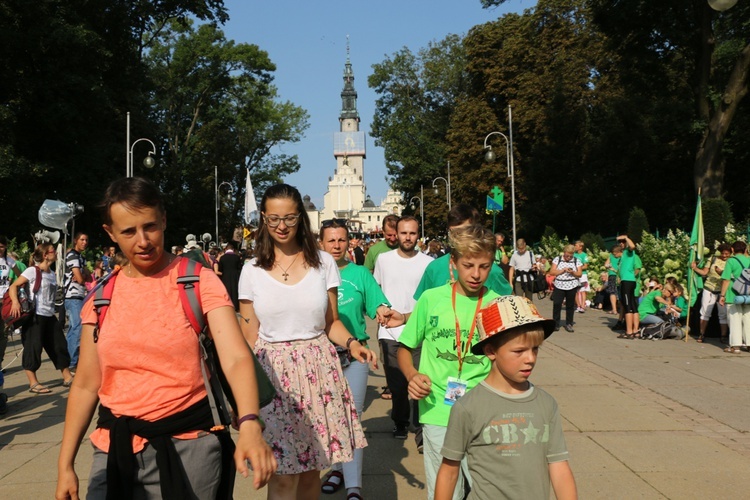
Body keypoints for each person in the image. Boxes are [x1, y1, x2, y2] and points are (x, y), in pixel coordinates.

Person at [56, 177, 275, 499]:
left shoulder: (197, 282)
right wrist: (65, 464)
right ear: (110, 233)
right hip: (114, 448)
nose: (142, 241)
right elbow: (87, 383)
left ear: (164, 220)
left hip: (191, 447)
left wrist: (250, 422)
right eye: (128, 231)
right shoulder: (101, 297)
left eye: (150, 226)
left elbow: (235, 357)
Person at [237, 183, 375, 499]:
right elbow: (248, 337)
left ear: (301, 217)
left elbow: (331, 323)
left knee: (312, 473)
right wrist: (243, 398)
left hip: (319, 375)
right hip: (273, 378)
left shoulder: (323, 264)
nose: (281, 226)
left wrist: (353, 344)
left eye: (289, 218)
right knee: (283, 476)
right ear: (263, 219)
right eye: (273, 219)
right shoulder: (251, 271)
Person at [433, 295, 577, 500]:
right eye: (519, 351)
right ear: (491, 350)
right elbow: (449, 471)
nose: (530, 359)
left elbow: (559, 466)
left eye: (535, 349)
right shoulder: (468, 407)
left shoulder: (546, 404)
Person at [397, 225, 502, 500]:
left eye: (484, 266)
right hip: (437, 409)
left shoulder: (496, 305)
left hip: (484, 411)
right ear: (453, 264)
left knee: (486, 488)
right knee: (445, 489)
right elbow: (405, 348)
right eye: (468, 265)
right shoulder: (432, 300)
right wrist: (412, 375)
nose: (476, 274)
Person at [318, 218, 405, 500]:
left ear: (349, 242)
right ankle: (337, 469)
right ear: (321, 243)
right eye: (330, 240)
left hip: (355, 355)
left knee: (351, 417)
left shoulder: (359, 274)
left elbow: (376, 303)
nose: (336, 245)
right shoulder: (312, 272)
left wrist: (382, 311)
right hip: (321, 356)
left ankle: (354, 485)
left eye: (341, 240)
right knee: (329, 418)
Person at [374, 216, 433, 445]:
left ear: (418, 234)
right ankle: (400, 422)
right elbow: (377, 291)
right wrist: (379, 310)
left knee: (419, 381)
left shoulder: (428, 263)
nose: (408, 237)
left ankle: (420, 431)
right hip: (389, 331)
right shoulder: (383, 260)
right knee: (397, 384)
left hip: (418, 330)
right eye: (403, 233)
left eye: (412, 233)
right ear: (395, 234)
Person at [7, 243, 74, 394]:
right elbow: (14, 286)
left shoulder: (51, 273)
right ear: (45, 255)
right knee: (33, 347)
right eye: (53, 251)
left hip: (49, 315)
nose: (56, 254)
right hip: (35, 316)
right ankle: (33, 383)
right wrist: (16, 303)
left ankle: (67, 377)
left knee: (59, 345)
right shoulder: (32, 271)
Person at [414, 204, 512, 301]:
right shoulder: (434, 268)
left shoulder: (493, 272)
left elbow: (512, 307)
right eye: (453, 232)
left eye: (465, 231)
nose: (458, 237)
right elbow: (421, 307)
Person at [691, 243, 731, 343]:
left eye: (727, 254)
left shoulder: (732, 261)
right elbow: (705, 272)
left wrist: (721, 273)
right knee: (705, 312)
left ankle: (723, 336)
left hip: (722, 290)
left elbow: (731, 276)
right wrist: (695, 268)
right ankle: (701, 334)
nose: (724, 256)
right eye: (723, 253)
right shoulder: (713, 258)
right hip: (709, 288)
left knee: (723, 314)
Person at [63, 231, 88, 372]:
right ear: (75, 241)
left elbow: (88, 276)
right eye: (82, 239)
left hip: (79, 295)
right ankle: (71, 362)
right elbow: (80, 279)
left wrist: (82, 275)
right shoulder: (73, 256)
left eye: (86, 240)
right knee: (77, 328)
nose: (84, 242)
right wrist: (82, 276)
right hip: (72, 296)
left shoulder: (80, 257)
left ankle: (70, 360)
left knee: (75, 328)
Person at [719, 241, 750, 354]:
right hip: (748, 294)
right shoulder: (749, 260)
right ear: (745, 250)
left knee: (734, 319)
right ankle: (749, 344)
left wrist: (722, 295)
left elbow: (726, 279)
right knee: (748, 318)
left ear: (732, 249)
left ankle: (735, 346)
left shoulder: (731, 261)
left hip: (734, 293)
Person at [550, 244, 583, 332]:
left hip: (571, 285)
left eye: (570, 256)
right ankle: (556, 323)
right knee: (557, 304)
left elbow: (580, 274)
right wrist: (562, 270)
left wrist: (572, 272)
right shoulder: (558, 259)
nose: (568, 257)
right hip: (559, 285)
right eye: (567, 255)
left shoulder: (576, 260)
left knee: (570, 305)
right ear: (564, 253)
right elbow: (552, 272)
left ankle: (569, 323)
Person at [617, 235, 640, 337]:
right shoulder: (623, 256)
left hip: (627, 281)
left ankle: (629, 332)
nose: (621, 243)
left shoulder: (628, 252)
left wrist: (626, 238)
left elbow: (632, 246)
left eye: (623, 242)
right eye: (620, 242)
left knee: (628, 307)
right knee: (633, 307)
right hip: (628, 281)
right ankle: (635, 330)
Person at [218, 241, 243, 310]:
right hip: (235, 275)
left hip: (225, 275)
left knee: (227, 290)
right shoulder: (236, 257)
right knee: (235, 290)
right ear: (233, 249)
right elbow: (239, 267)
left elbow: (220, 269)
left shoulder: (222, 258)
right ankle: (236, 306)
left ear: (226, 249)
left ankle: (228, 306)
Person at [605, 244, 623, 318]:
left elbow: (606, 264)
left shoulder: (612, 256)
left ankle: (614, 309)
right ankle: (618, 309)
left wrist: (610, 267)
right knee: (617, 291)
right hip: (618, 275)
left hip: (613, 274)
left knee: (613, 292)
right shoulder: (621, 257)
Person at [573, 240, 589, 313]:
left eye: (576, 245)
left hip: (582, 275)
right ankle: (578, 306)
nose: (575, 247)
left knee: (582, 291)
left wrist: (578, 268)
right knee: (575, 290)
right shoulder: (574, 255)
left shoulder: (584, 255)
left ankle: (582, 306)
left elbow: (585, 266)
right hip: (575, 274)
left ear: (580, 247)